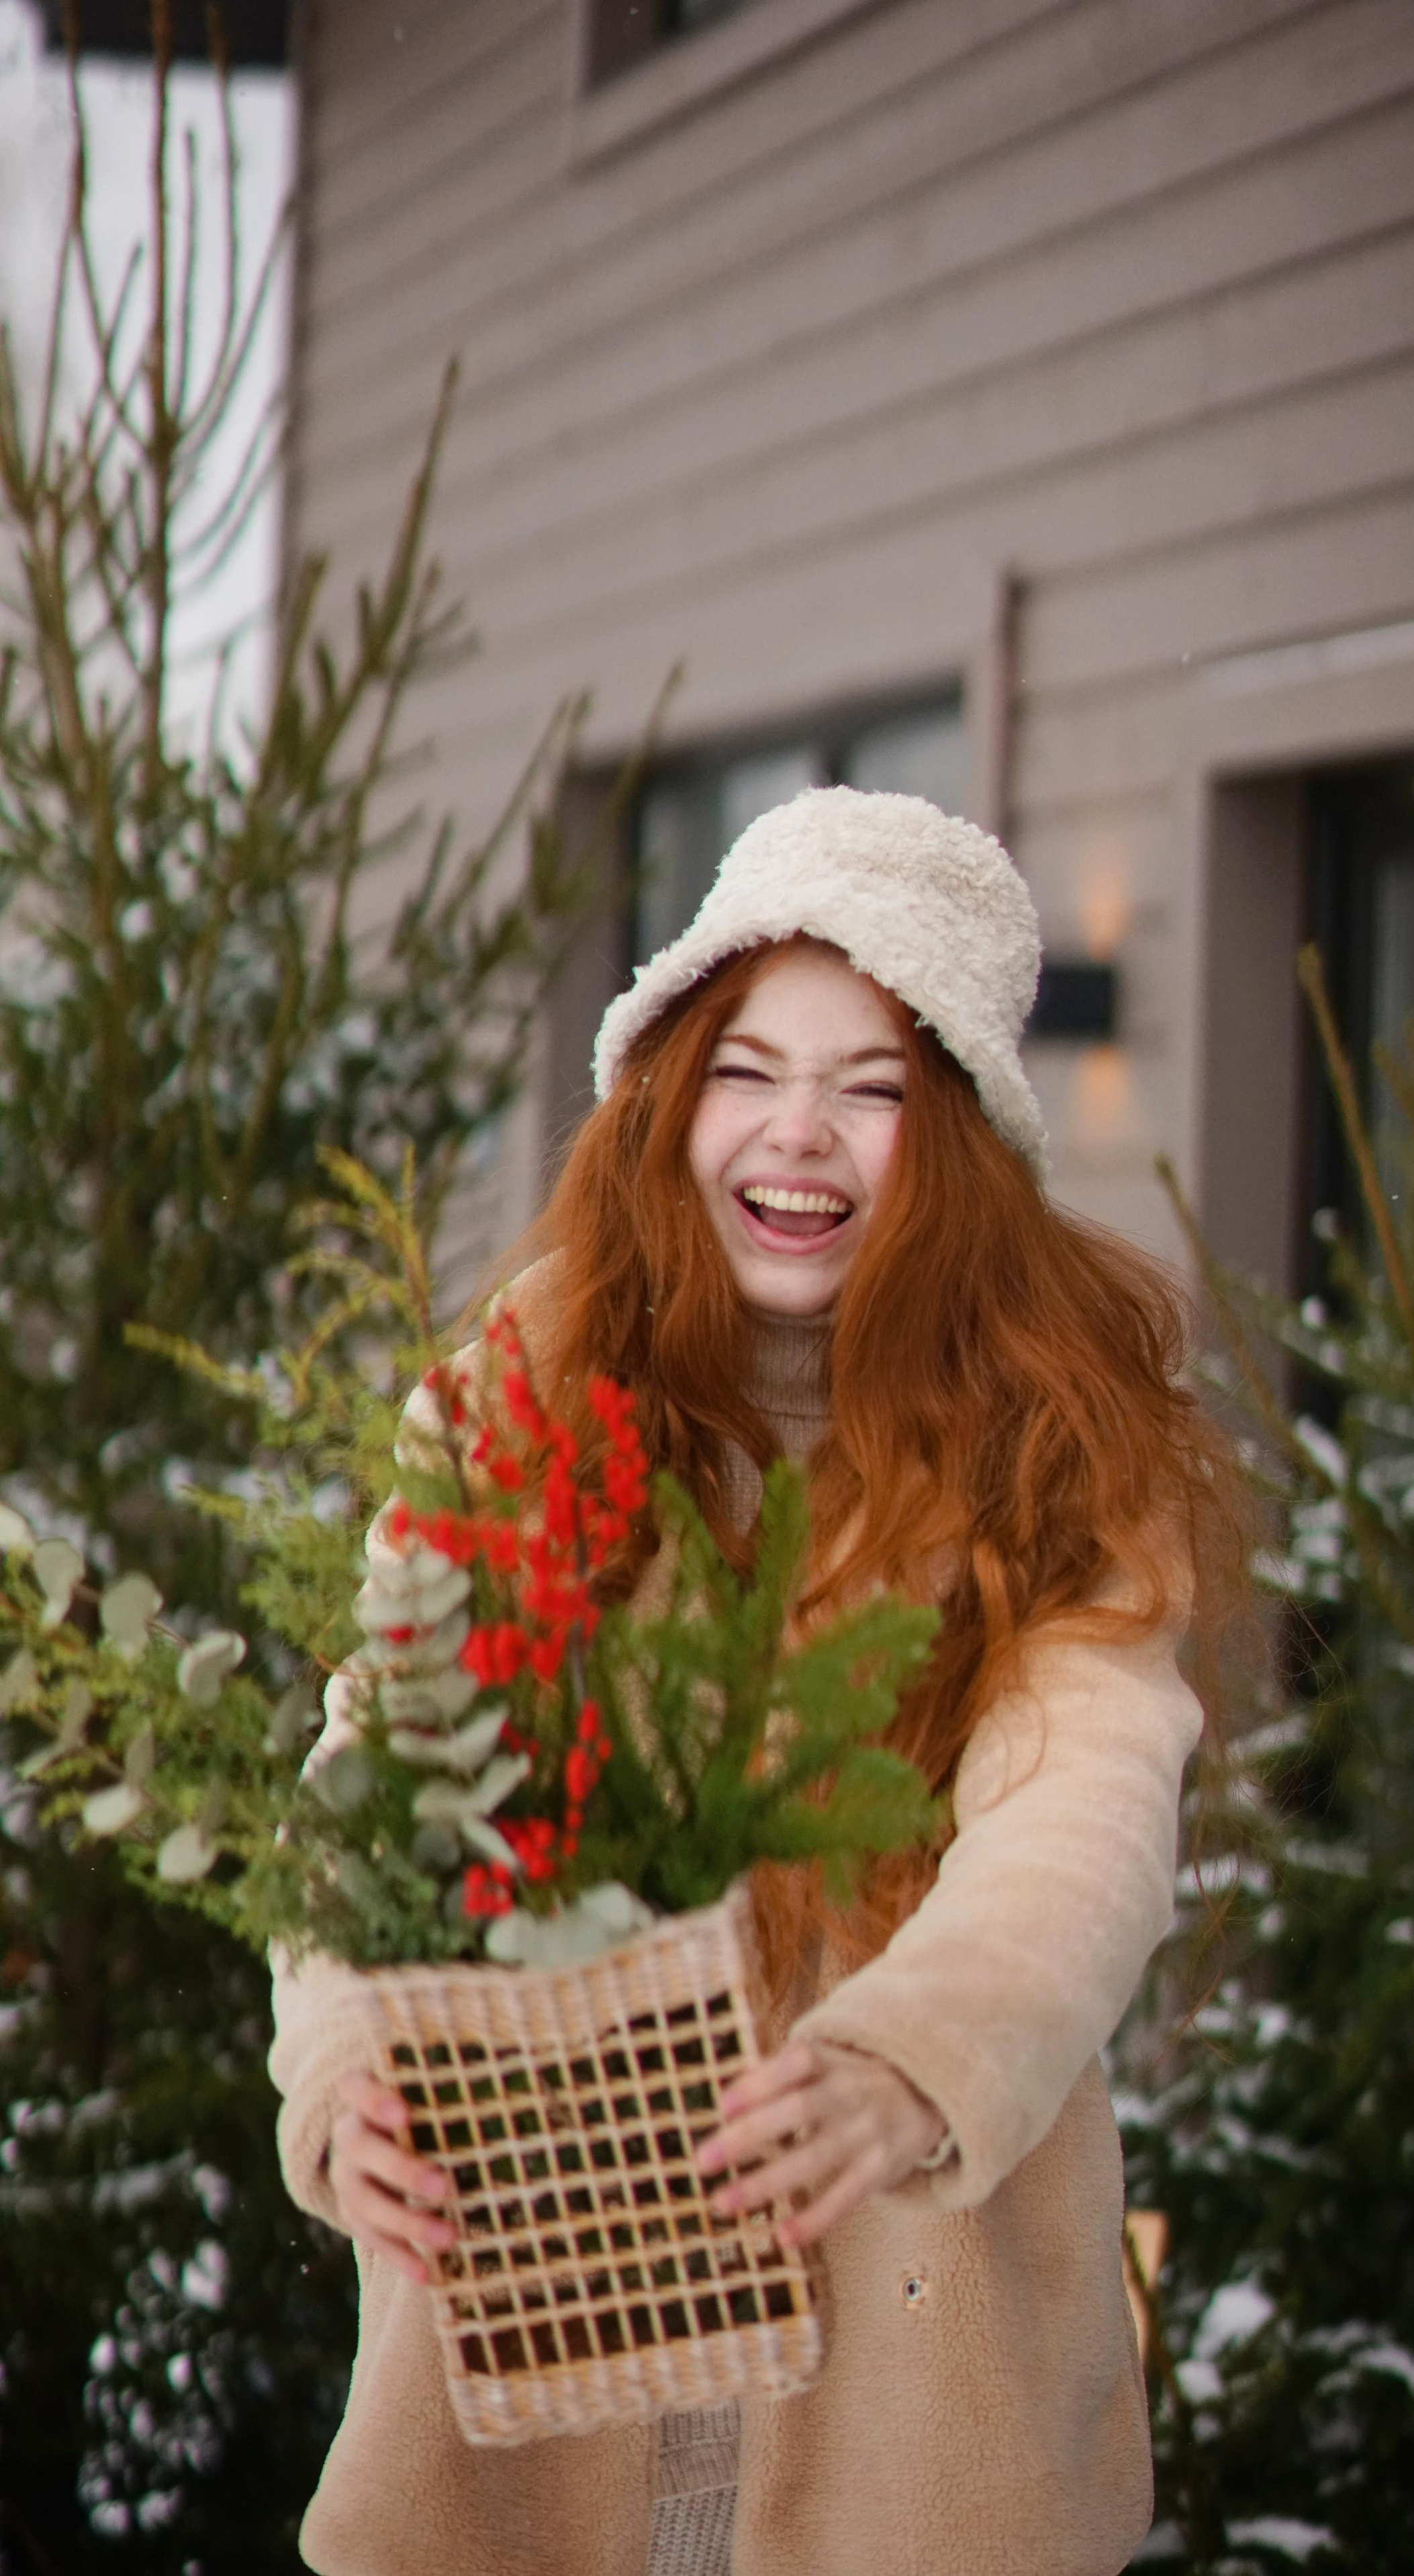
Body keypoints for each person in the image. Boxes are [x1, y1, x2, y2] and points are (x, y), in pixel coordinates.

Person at [269, 786, 1249, 2576]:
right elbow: (382, 1772)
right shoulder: (530, 1398)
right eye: (748, 1068)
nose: (798, 1136)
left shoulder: (1052, 1467)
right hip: (534, 2362)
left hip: (912, 2390)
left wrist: (910, 2058)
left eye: (873, 1088)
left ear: (952, 1143)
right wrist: (339, 2069)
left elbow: (1085, 1814)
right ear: (669, 1095)